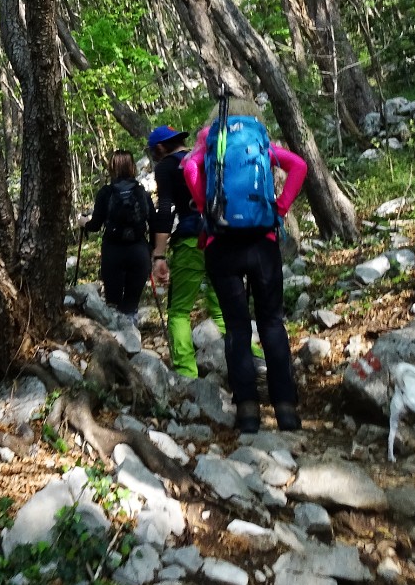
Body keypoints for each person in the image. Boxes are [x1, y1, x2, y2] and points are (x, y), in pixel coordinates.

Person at [183, 98, 308, 433]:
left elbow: (189, 169)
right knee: (271, 324)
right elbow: (299, 166)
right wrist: (279, 209)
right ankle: (286, 411)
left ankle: (248, 413)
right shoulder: (260, 141)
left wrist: (204, 207)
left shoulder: (209, 143)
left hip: (220, 245)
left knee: (237, 329)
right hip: (261, 243)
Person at [146, 125, 224, 378]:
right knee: (223, 307)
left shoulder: (166, 167)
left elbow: (166, 208)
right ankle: (253, 358)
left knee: (179, 311)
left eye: (153, 151)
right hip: (220, 238)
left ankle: (186, 374)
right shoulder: (203, 160)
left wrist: (159, 254)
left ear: (159, 148)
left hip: (191, 241)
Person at [82, 150, 154, 324]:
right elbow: (154, 223)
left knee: (113, 303)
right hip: (139, 251)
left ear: (112, 167)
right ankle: (133, 341)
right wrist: (153, 250)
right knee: (131, 304)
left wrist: (84, 222)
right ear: (131, 168)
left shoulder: (105, 193)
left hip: (113, 252)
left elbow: (95, 225)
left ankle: (116, 342)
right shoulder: (142, 193)